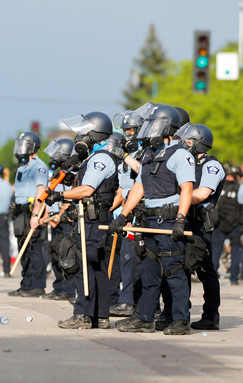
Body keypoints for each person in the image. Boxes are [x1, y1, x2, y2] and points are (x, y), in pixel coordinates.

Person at [111, 103, 196, 335]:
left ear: (168, 126)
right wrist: (123, 215)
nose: (149, 129)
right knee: (149, 273)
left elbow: (187, 188)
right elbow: (140, 186)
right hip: (148, 223)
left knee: (175, 272)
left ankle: (181, 320)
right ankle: (145, 319)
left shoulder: (180, 154)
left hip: (168, 221)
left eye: (154, 124)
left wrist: (181, 218)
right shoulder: (149, 153)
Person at [47, 112, 119, 329]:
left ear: (95, 134)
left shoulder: (100, 159)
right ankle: (100, 316)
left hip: (92, 220)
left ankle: (82, 315)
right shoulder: (93, 158)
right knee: (96, 268)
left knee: (84, 267)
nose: (80, 136)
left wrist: (60, 195)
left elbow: (88, 190)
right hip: (92, 218)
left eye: (84, 132)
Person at [176, 123, 224, 331]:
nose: (184, 144)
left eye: (188, 141)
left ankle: (211, 315)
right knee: (180, 266)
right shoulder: (187, 162)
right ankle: (180, 312)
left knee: (205, 270)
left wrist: (178, 200)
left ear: (199, 143)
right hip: (183, 219)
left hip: (200, 224)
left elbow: (203, 193)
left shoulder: (211, 165)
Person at [109, 109, 145, 317]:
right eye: (125, 130)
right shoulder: (126, 153)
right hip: (123, 214)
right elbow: (122, 189)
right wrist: (113, 210)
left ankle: (129, 301)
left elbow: (143, 171)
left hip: (136, 214)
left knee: (131, 259)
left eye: (131, 129)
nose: (127, 133)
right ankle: (123, 298)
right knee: (123, 258)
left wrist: (124, 155)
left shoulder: (143, 151)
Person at [8, 132, 49, 298]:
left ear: (32, 147)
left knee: (33, 249)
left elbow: (41, 192)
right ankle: (26, 284)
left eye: (23, 145)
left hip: (31, 210)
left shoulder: (38, 166)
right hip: (19, 211)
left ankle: (37, 285)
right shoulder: (22, 167)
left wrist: (35, 215)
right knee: (22, 249)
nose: (20, 149)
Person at [41, 138, 77, 301]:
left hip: (66, 220)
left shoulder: (73, 173)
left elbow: (70, 197)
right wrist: (48, 215)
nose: (54, 157)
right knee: (55, 252)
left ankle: (68, 289)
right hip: (55, 221)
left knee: (67, 255)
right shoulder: (58, 174)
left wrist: (60, 214)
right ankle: (59, 287)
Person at [211, 164, 243, 283]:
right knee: (235, 251)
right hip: (235, 223)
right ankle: (234, 278)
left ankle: (212, 278)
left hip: (219, 222)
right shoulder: (240, 188)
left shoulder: (219, 186)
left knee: (216, 251)